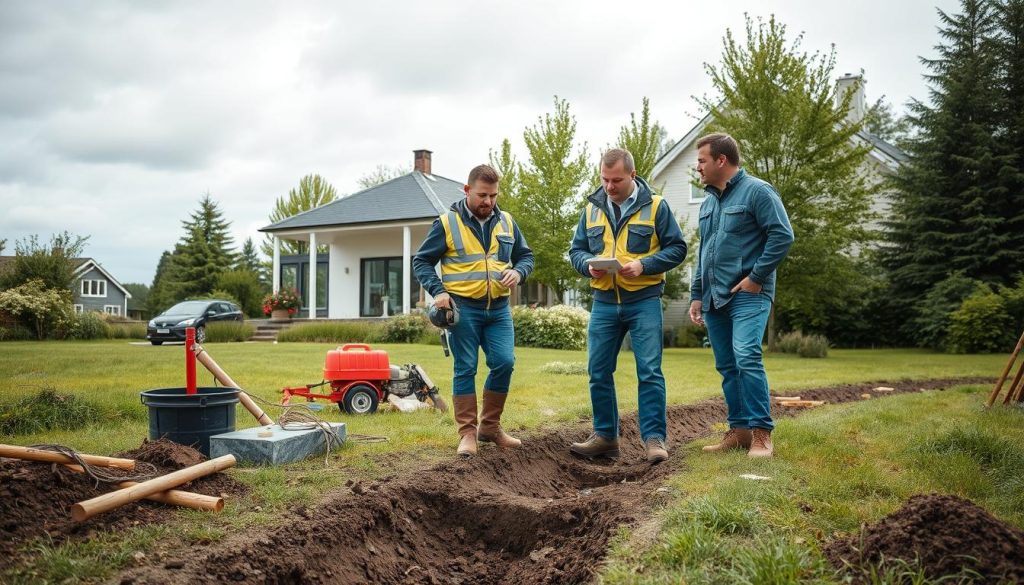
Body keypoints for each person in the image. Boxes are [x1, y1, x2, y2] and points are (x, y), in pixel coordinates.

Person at [568, 149, 687, 463]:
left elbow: (677, 248)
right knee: (597, 371)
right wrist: (586, 265)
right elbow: (577, 250)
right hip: (604, 303)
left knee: (649, 371)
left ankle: (654, 440)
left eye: (616, 180)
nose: (609, 186)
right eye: (604, 180)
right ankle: (605, 436)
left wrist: (644, 265)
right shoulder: (592, 209)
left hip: (644, 300)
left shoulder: (656, 206)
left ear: (632, 176)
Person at [413, 164, 535, 458]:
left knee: (504, 362)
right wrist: (439, 291)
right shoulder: (447, 223)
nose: (488, 202)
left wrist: (518, 272)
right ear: (467, 191)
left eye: (493, 196)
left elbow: (526, 257)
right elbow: (421, 261)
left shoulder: (507, 221)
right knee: (465, 368)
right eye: (482, 195)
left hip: (499, 310)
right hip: (463, 309)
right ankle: (468, 433)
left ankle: (490, 428)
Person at [688, 133, 794, 458]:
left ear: (721, 160)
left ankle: (763, 435)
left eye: (702, 160)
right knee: (727, 365)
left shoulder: (758, 192)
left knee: (747, 355)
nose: (697, 167)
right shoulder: (708, 203)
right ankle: (740, 432)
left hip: (749, 294)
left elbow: (782, 235)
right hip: (714, 297)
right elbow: (704, 251)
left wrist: (756, 277)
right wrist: (696, 294)